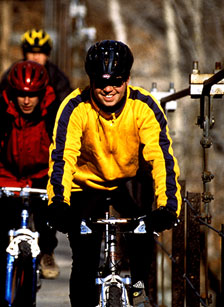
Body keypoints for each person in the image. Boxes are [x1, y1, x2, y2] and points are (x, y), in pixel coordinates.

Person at [46, 40, 182, 307]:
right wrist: (58, 204)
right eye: (99, 81)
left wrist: (168, 206)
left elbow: (161, 158)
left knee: (141, 251)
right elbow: (63, 158)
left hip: (130, 181)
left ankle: (139, 297)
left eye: (116, 81)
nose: (108, 88)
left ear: (127, 79)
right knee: (84, 258)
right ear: (90, 80)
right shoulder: (74, 107)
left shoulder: (144, 106)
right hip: (86, 185)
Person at [0, 60, 60, 306]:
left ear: (42, 94)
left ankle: (45, 253)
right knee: (2, 242)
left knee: (46, 224)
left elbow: (64, 151)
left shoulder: (54, 112)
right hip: (7, 177)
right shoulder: (2, 109)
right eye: (21, 95)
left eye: (32, 95)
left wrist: (62, 182)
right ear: (13, 93)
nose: (26, 101)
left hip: (43, 177)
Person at [0, 28, 72, 107]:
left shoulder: (57, 76)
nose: (36, 57)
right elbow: (0, 102)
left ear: (48, 54)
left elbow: (65, 104)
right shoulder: (14, 72)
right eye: (31, 52)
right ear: (24, 53)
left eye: (40, 52)